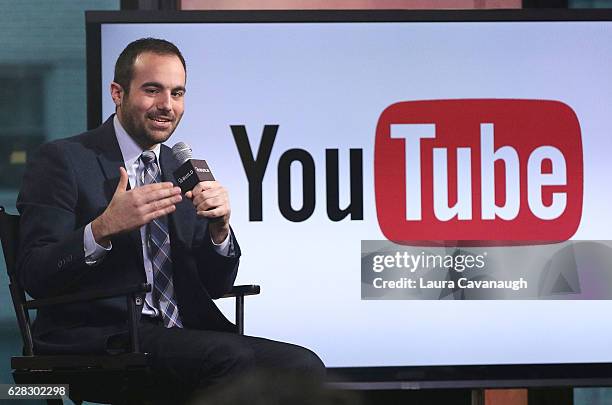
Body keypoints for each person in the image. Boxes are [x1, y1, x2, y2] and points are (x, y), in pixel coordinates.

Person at [16, 37, 324, 400]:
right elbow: (35, 273)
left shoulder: (179, 169)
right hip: (101, 336)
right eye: (152, 90)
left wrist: (219, 229)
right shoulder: (64, 160)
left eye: (177, 93)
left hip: (181, 332)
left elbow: (213, 285)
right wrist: (101, 229)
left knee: (304, 366)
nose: (167, 105)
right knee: (229, 358)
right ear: (117, 93)